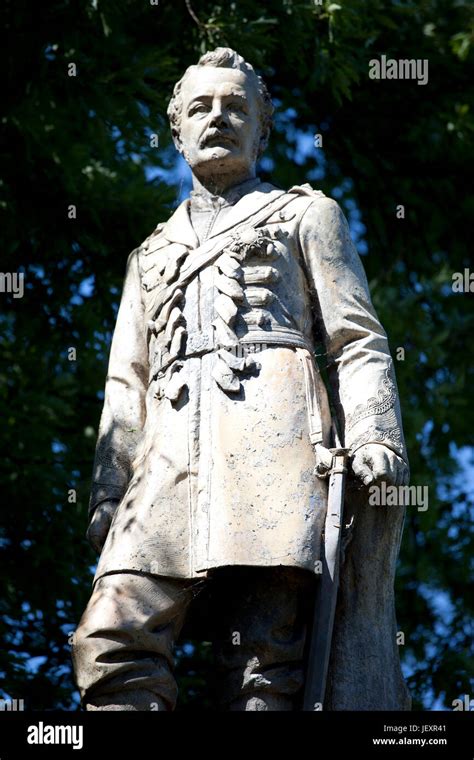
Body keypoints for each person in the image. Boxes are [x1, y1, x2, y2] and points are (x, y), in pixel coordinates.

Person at [72, 47, 410, 711]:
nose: (218, 118)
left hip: (275, 451)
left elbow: (356, 338)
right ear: (177, 129)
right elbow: (125, 383)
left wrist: (374, 434)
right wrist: (108, 491)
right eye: (201, 106)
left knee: (263, 661)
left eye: (236, 106)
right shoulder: (150, 254)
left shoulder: (307, 215)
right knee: (111, 638)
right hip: (163, 470)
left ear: (263, 127)